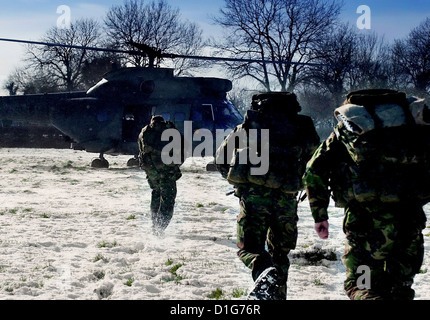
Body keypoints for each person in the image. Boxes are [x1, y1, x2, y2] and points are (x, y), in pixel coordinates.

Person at [304, 89, 430, 300]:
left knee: (362, 287)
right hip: (410, 222)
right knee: (400, 289)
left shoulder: (347, 129)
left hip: (364, 225)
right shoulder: (413, 125)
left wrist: (320, 215)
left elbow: (314, 170)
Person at [216, 92, 320, 300]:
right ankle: (277, 295)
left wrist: (240, 183)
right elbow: (315, 162)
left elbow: (222, 158)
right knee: (280, 253)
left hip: (254, 197)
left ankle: (263, 270)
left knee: (250, 247)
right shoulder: (302, 129)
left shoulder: (248, 127)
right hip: (286, 198)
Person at [138, 115, 183, 235]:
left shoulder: (145, 132)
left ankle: (154, 224)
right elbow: (181, 151)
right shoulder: (171, 131)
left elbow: (142, 153)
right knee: (168, 200)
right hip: (167, 171)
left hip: (152, 172)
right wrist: (175, 166)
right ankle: (160, 228)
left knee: (156, 195)